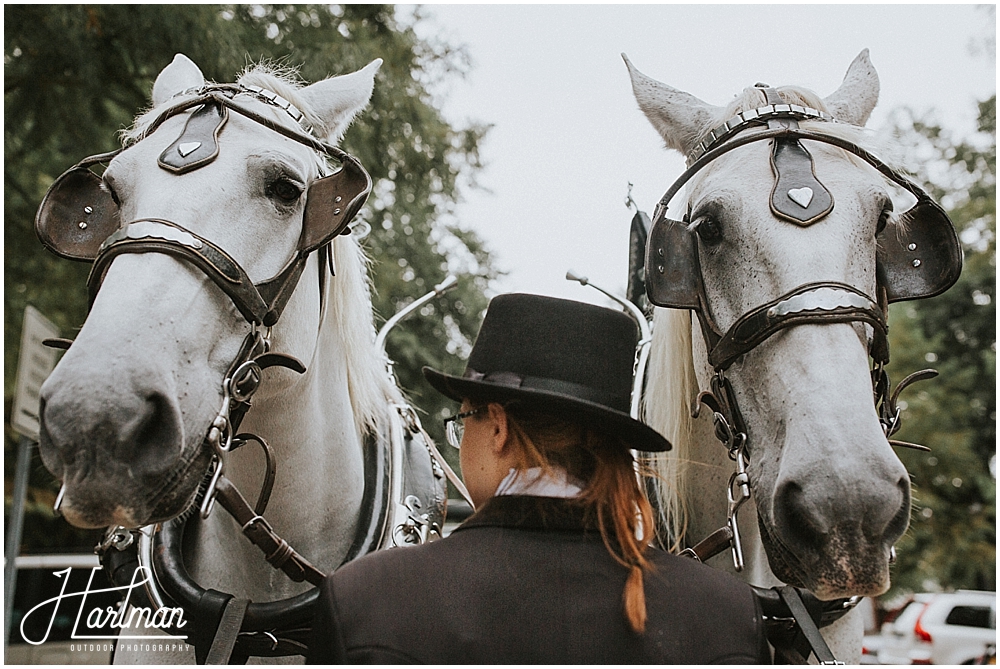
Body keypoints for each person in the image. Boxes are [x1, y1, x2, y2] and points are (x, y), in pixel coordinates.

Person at [308, 293, 770, 664]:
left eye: (462, 420)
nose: (459, 438)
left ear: (497, 425)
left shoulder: (367, 601)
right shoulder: (728, 615)